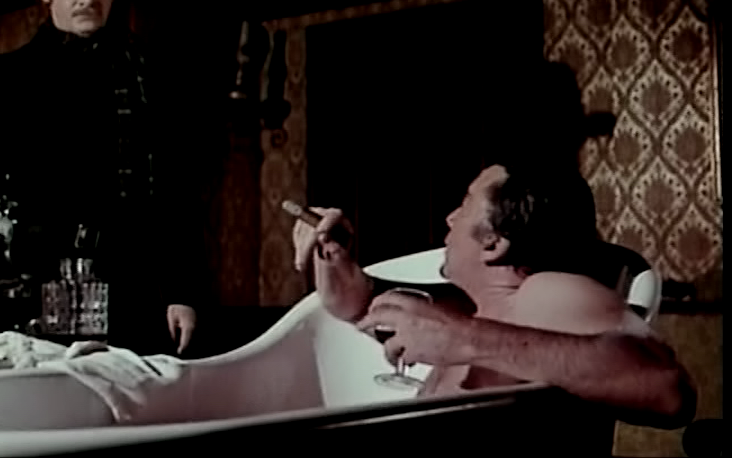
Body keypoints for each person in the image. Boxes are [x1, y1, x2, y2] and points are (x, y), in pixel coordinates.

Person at [0, 0, 205, 355]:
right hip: (28, 288)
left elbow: (174, 191)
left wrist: (182, 290)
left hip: (129, 287)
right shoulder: (0, 81)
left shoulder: (147, 77)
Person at [292, 164, 696, 432]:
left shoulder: (542, 293)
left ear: (493, 242)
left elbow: (667, 389)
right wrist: (332, 252)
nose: (450, 218)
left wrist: (461, 338)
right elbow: (360, 303)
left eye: (465, 204)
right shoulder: (471, 308)